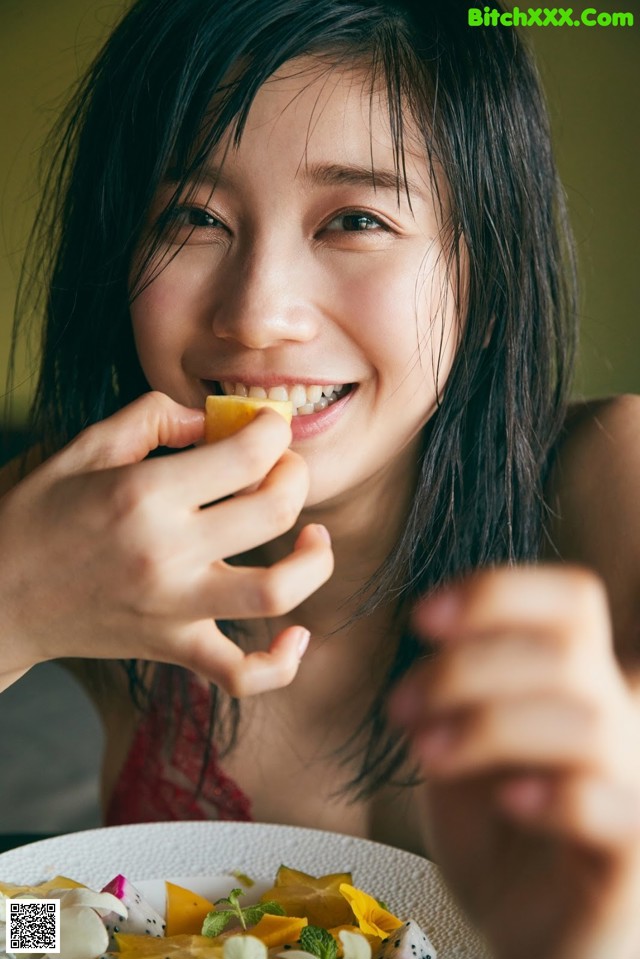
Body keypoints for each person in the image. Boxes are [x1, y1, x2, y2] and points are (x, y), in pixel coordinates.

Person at [1, 0, 639, 956]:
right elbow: (55, 920)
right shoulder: (87, 519)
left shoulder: (609, 480)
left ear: (483, 263)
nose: (258, 314)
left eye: (354, 219)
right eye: (192, 215)